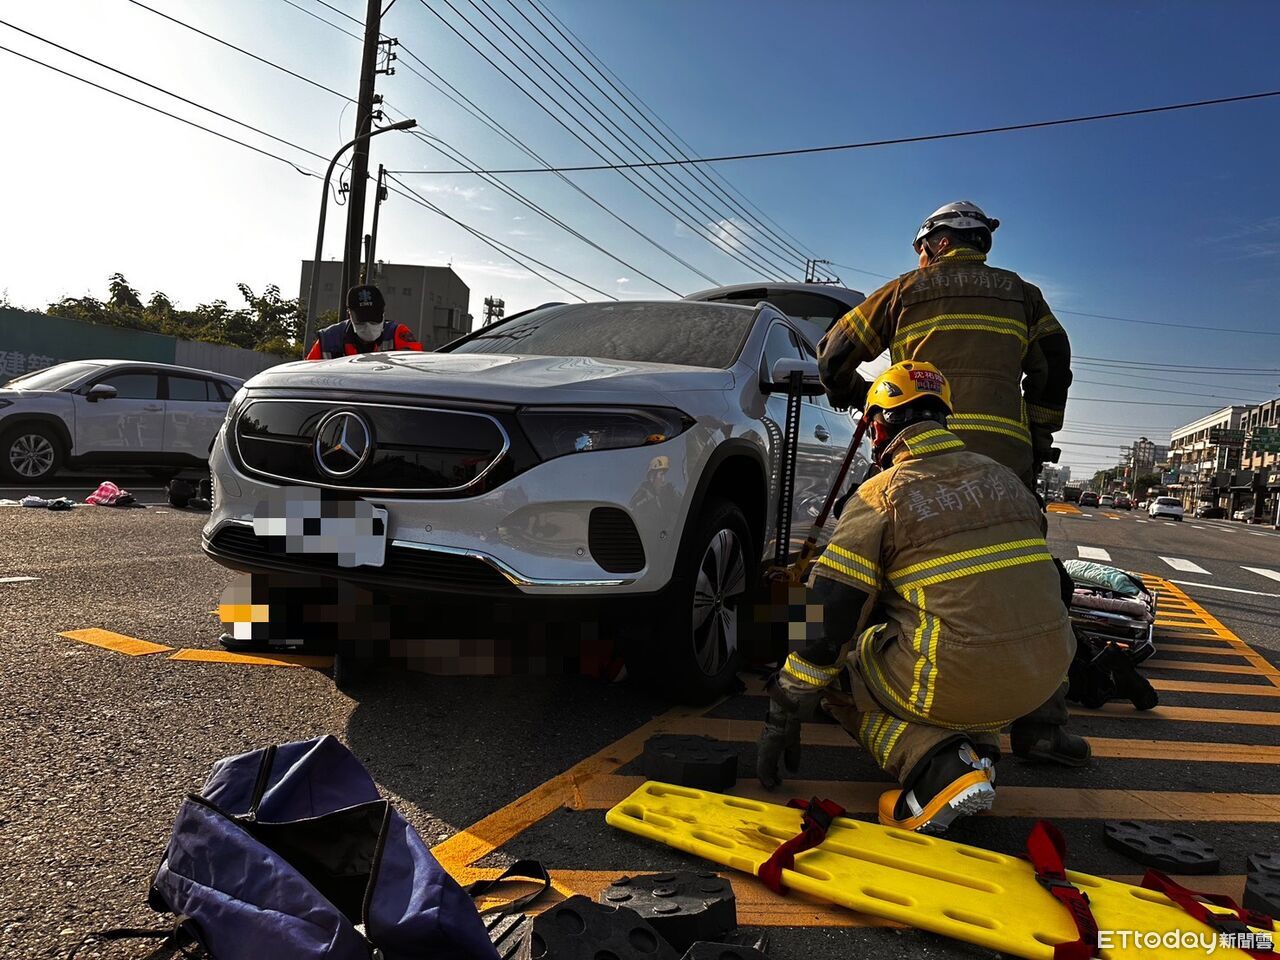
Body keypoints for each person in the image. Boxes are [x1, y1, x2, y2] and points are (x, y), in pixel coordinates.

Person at [816, 200, 1085, 766]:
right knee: (1030, 571)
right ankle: (1042, 725)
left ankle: (826, 676)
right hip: (1003, 459)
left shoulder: (907, 289)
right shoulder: (1023, 294)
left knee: (854, 559)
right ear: (981, 244)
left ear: (931, 244)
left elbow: (835, 350)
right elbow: (1055, 365)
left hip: (913, 449)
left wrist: (848, 393)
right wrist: (1035, 437)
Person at [756, 362, 1076, 833]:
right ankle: (979, 753)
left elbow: (830, 614)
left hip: (956, 678)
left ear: (878, 426)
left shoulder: (881, 495)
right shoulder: (1008, 481)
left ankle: (935, 767)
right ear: (944, 419)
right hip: (1039, 678)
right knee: (954, 626)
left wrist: (785, 701)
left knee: (842, 673)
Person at [306, 284, 424, 360]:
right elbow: (306, 375)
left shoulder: (397, 334)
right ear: (349, 315)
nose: (368, 325)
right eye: (362, 320)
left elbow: (416, 367)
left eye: (373, 319)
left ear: (383, 313)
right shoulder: (329, 340)